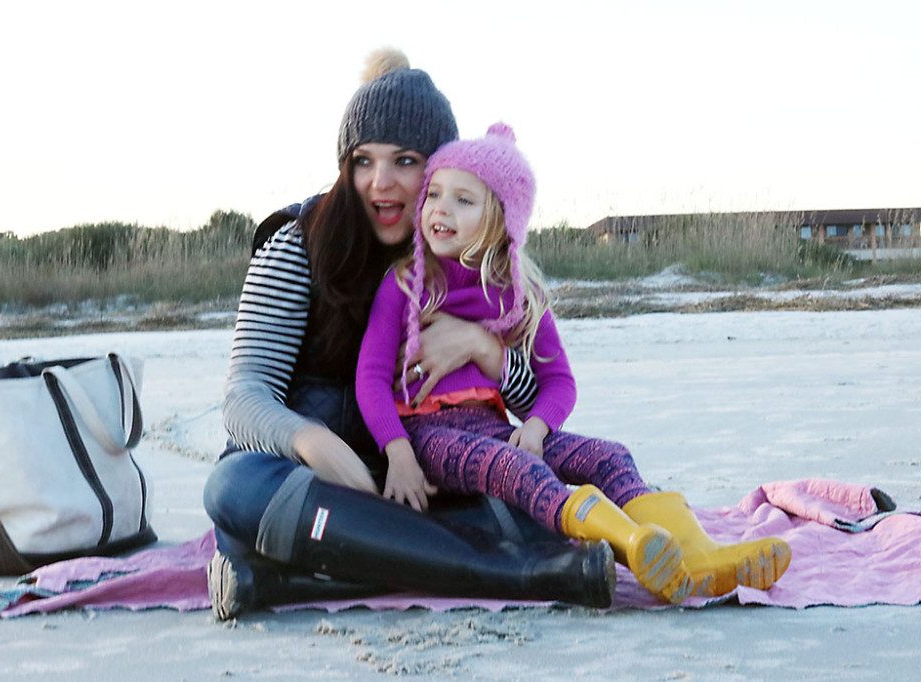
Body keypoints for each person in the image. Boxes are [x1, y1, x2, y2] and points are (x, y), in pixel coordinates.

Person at [202, 49, 615, 621]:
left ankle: (287, 583)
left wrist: (484, 349)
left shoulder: (463, 255)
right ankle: (509, 573)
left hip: (426, 475)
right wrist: (313, 444)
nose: (381, 183)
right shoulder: (297, 245)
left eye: (404, 161)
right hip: (312, 478)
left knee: (532, 485)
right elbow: (244, 395)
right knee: (231, 487)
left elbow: (529, 403)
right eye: (363, 161)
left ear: (439, 167)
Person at [355, 123, 792, 604]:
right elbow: (370, 377)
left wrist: (540, 426)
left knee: (610, 454)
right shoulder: (404, 284)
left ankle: (699, 557)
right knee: (518, 469)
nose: (440, 208)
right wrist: (396, 451)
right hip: (429, 435)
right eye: (435, 193)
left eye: (464, 199)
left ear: (502, 219)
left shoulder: (519, 296)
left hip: (495, 426)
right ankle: (632, 546)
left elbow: (559, 381)